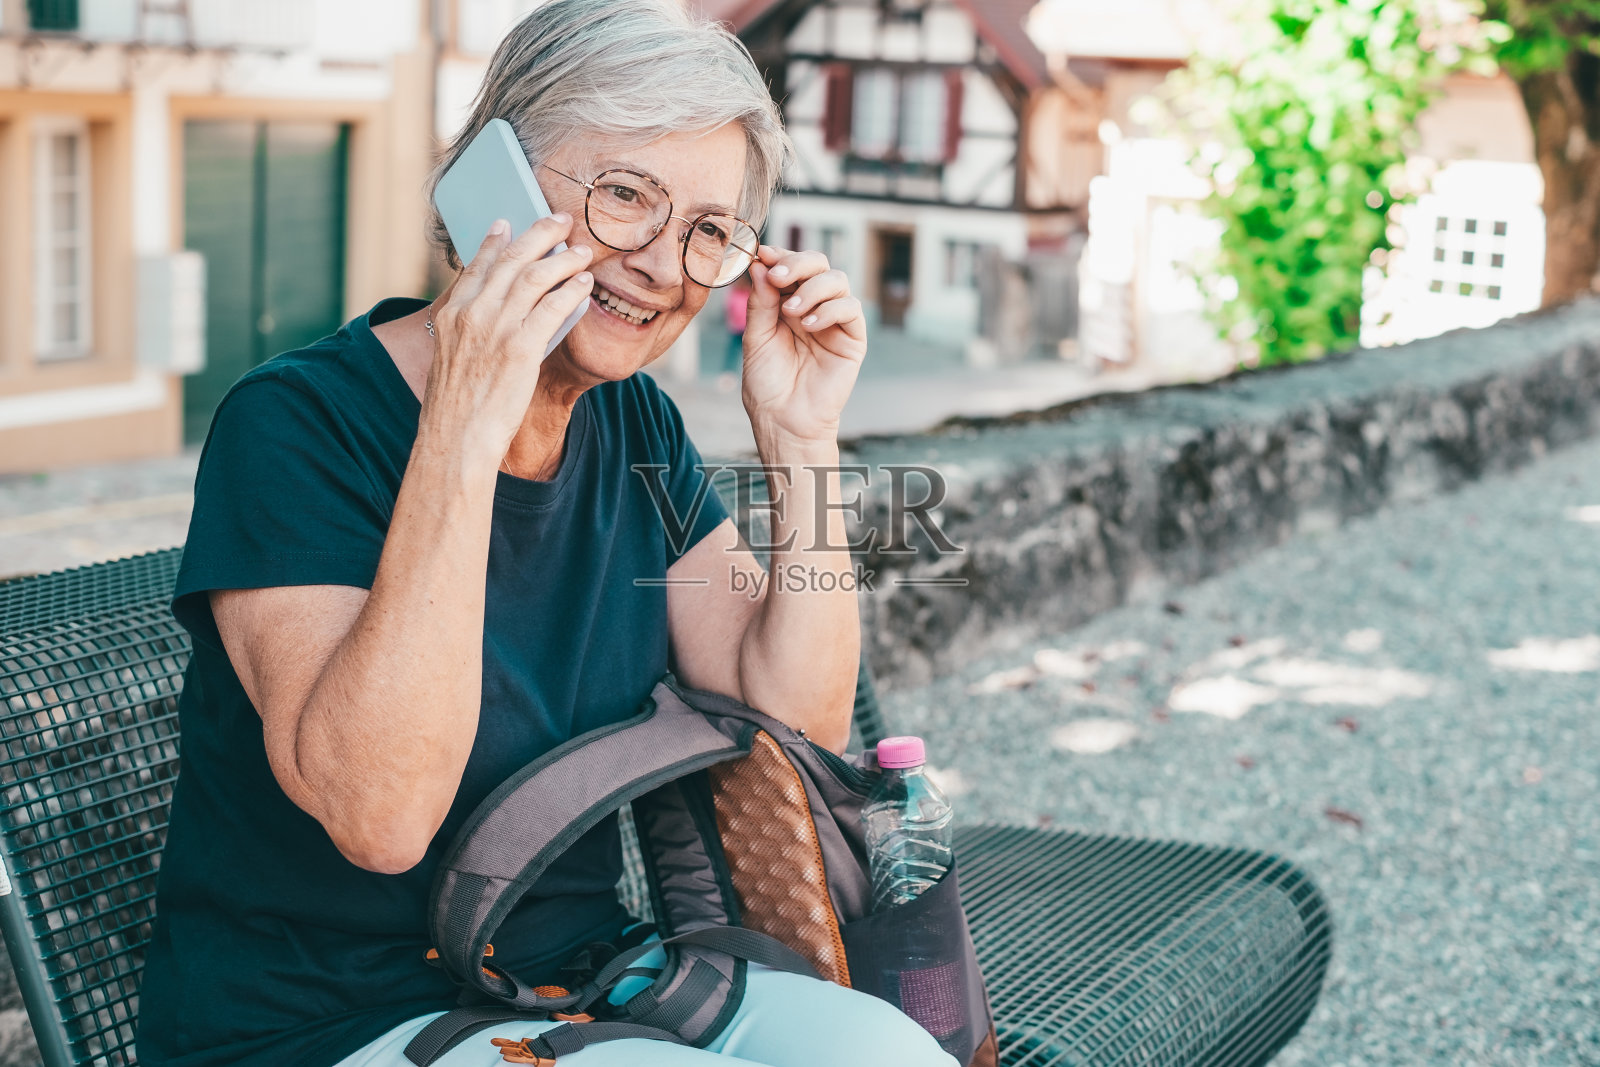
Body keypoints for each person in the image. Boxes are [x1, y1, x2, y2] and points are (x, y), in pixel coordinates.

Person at [134, 2, 954, 1066]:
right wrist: (468, 420)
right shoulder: (293, 424)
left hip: (588, 983)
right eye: (624, 195)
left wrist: (802, 440)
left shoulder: (634, 421)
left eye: (708, 229)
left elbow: (790, 728)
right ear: (493, 178)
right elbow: (381, 819)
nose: (663, 264)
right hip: (322, 1024)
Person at [720, 275, 751, 390]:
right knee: (732, 353)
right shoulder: (733, 293)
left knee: (747, 354)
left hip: (747, 329)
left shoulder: (750, 293)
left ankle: (747, 378)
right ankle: (728, 377)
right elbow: (728, 310)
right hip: (735, 329)